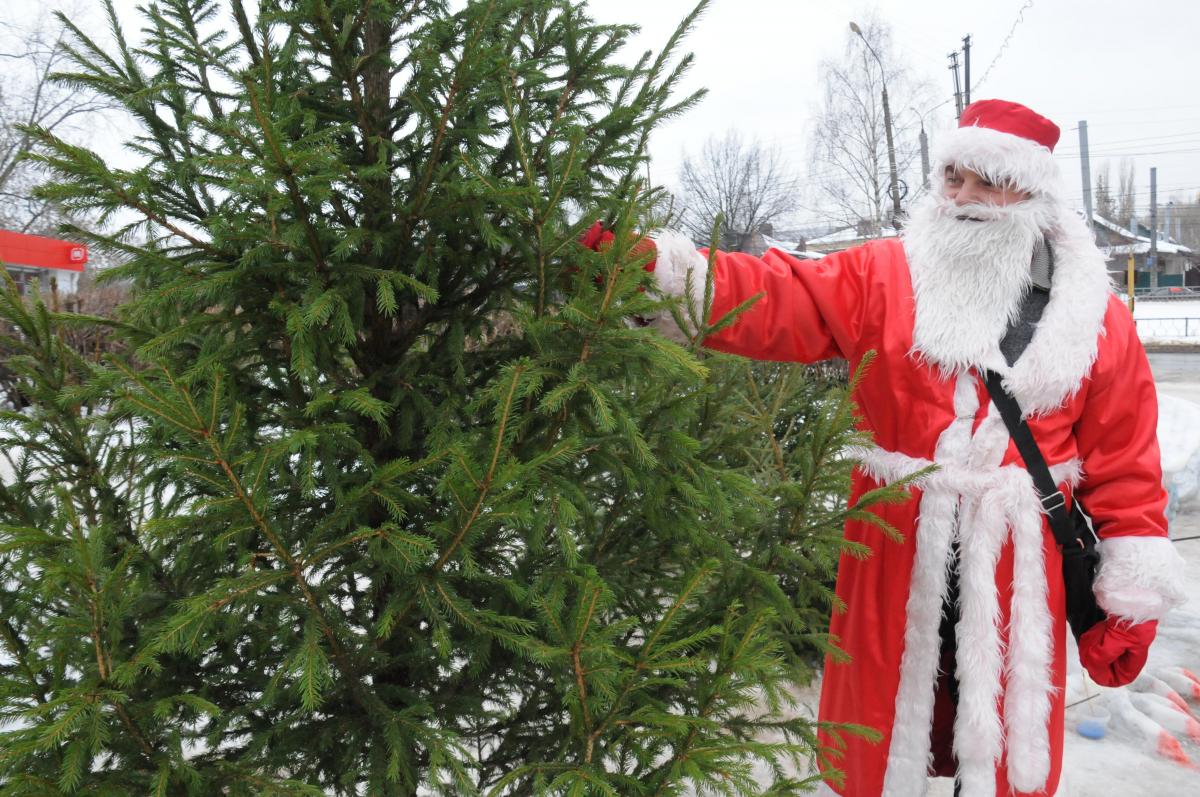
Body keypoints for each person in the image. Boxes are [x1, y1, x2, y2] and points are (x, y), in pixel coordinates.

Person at [630, 100, 1187, 796]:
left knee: (999, 747)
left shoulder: (1094, 317)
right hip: (896, 548)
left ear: (1033, 193)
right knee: (884, 731)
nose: (965, 197)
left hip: (1017, 564)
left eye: (987, 180)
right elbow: (778, 296)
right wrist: (662, 276)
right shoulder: (884, 275)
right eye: (953, 177)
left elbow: (1126, 464)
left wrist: (1130, 594)